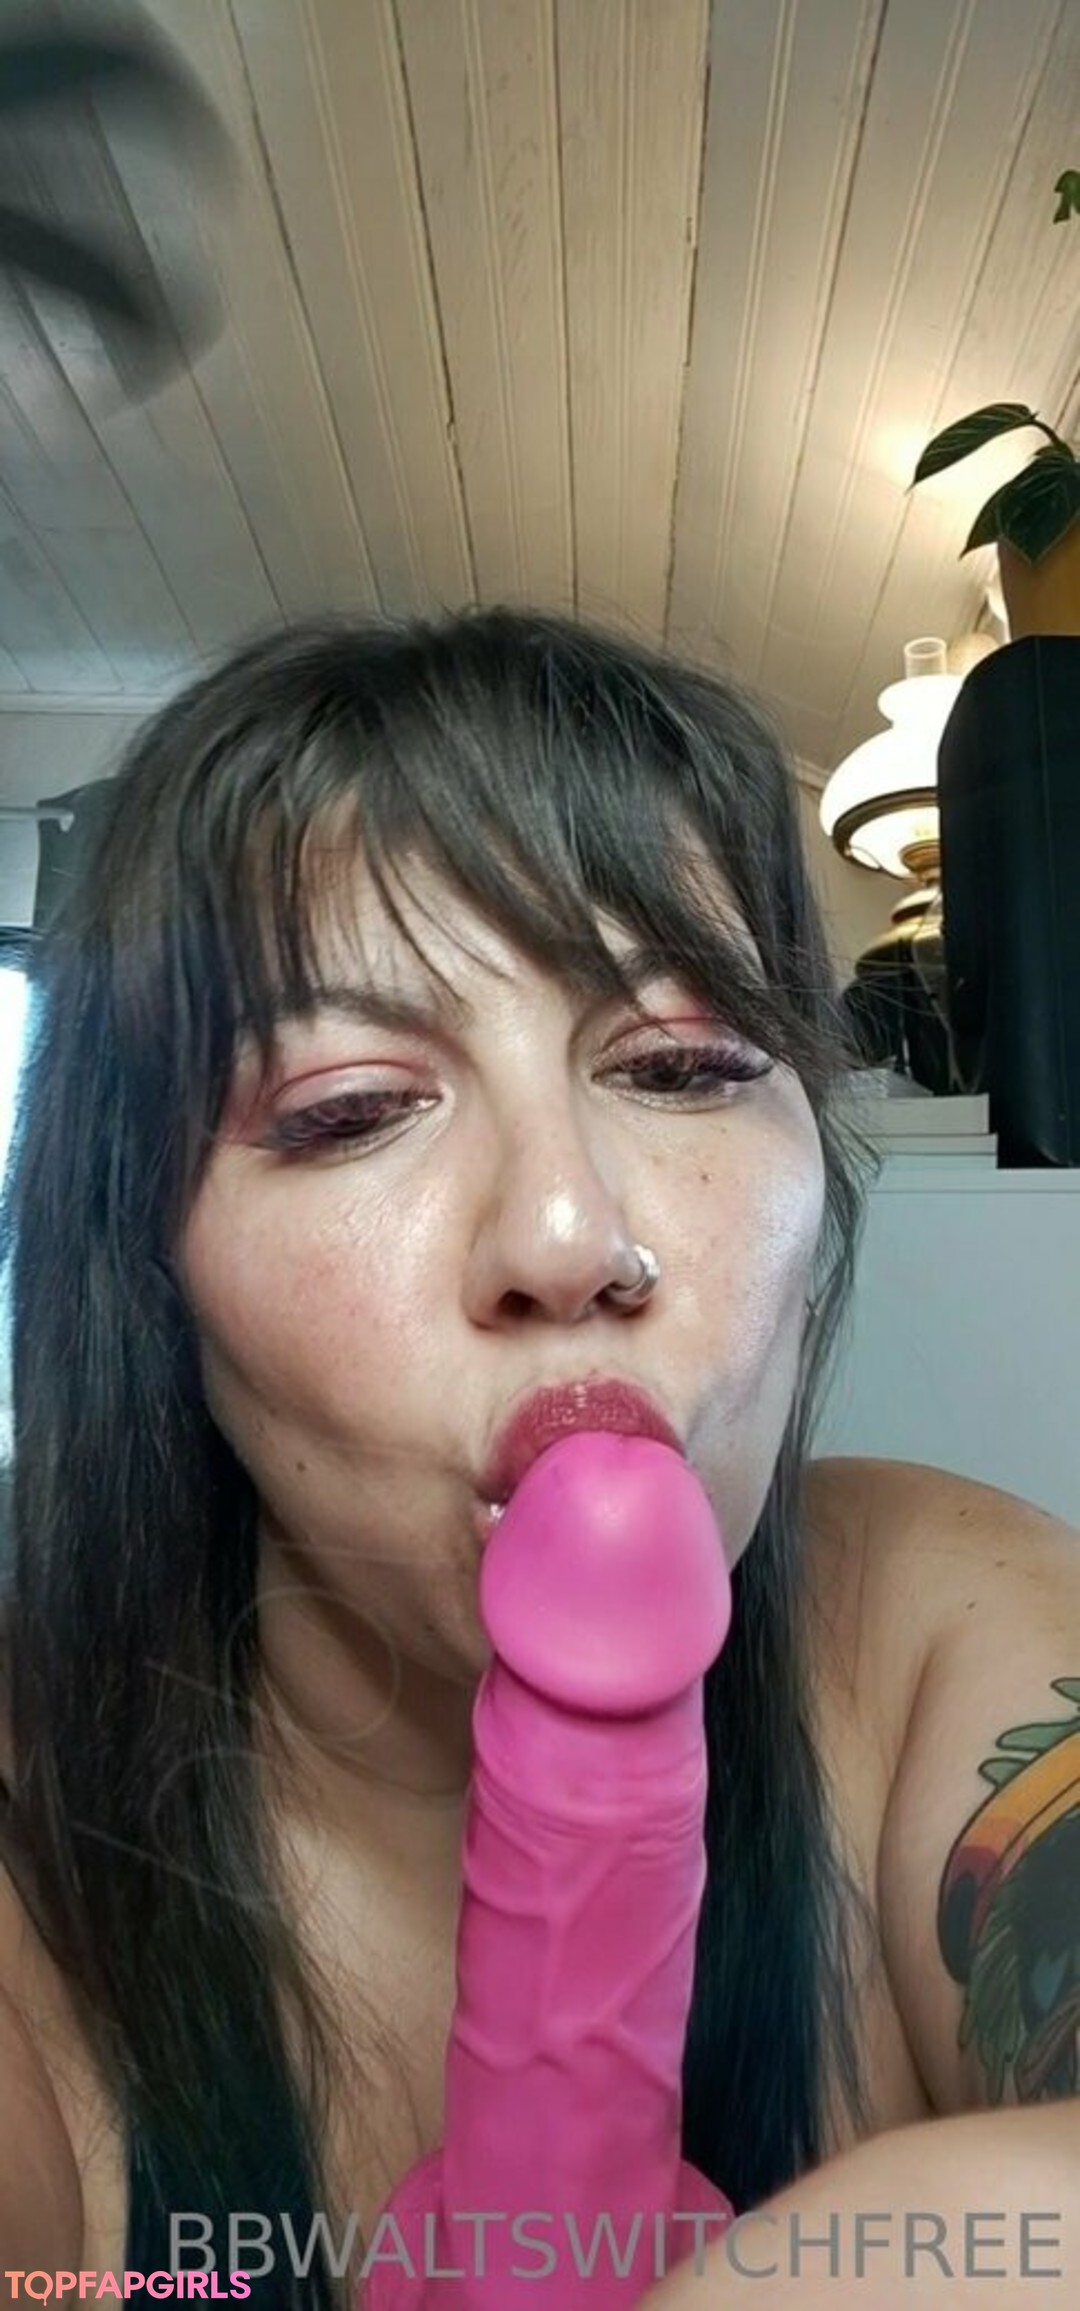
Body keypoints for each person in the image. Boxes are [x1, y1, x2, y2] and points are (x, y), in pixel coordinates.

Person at [0, 607, 1076, 2308]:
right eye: (352, 1108)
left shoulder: (941, 1621)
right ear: (147, 1271)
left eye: (683, 1066)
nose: (570, 1237)